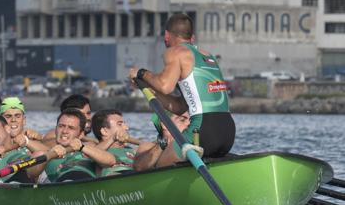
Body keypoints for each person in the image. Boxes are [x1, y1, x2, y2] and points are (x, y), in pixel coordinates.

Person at [129, 13, 235, 159]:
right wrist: (149, 87)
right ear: (191, 36)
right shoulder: (208, 56)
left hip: (203, 129)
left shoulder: (175, 52)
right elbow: (179, 107)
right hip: (228, 130)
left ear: (167, 35)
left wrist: (141, 73)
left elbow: (165, 86)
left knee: (160, 162)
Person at [40, 109, 115, 183]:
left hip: (88, 184)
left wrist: (82, 147)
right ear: (56, 129)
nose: (64, 131)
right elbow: (31, 173)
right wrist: (50, 154)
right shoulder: (44, 152)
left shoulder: (89, 149)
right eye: (61, 126)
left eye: (71, 128)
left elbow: (111, 161)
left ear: (81, 134)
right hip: (60, 185)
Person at [0, 114, 51, 183]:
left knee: (40, 155)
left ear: (7, 129)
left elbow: (49, 153)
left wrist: (27, 141)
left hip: (22, 181)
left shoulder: (26, 149)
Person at [91, 109, 151, 176]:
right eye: (120, 124)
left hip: (137, 175)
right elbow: (90, 154)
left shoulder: (133, 150)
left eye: (124, 124)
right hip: (116, 177)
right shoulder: (95, 151)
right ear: (104, 131)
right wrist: (113, 138)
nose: (126, 128)